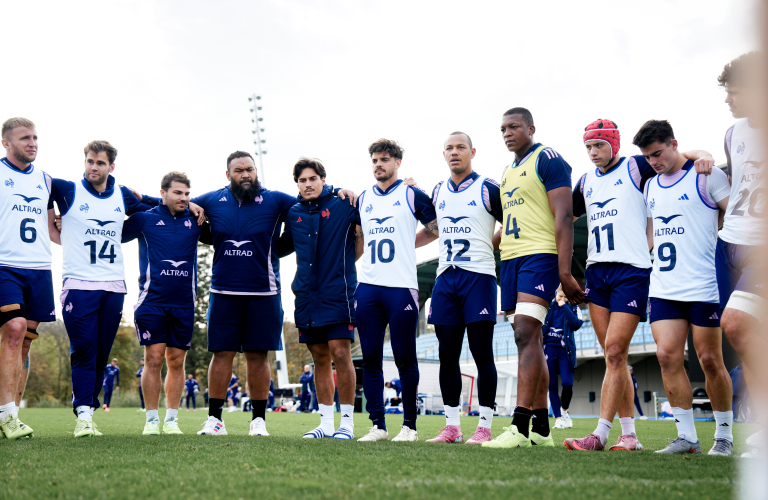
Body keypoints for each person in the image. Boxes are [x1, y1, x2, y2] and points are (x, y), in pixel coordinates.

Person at [565, 119, 713, 451]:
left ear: (614, 145)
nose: (593, 152)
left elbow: (676, 159)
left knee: (616, 350)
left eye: (599, 145)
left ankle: (599, 435)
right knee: (613, 357)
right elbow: (563, 214)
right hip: (597, 273)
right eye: (588, 147)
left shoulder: (635, 167)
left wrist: (703, 153)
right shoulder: (586, 181)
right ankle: (629, 435)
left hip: (632, 272)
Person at [188, 151, 355, 437]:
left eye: (250, 169)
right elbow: (177, 204)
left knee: (258, 355)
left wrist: (337, 190)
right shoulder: (212, 200)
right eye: (239, 170)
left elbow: (310, 201)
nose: (245, 174)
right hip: (223, 290)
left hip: (264, 292)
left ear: (256, 172)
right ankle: (215, 420)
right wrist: (190, 205)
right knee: (221, 353)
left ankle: (258, 421)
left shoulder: (277, 200)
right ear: (228, 175)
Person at [484, 108, 583, 449]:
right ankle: (542, 430)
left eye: (513, 126)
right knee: (528, 338)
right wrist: (486, 248)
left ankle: (519, 425)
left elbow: (565, 215)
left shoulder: (549, 158)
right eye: (502, 129)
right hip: (510, 260)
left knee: (526, 331)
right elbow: (508, 222)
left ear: (530, 128)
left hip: (539, 255)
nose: (507, 133)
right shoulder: (507, 172)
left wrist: (564, 270)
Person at [51, 140, 163, 437]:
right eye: (89, 161)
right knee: (84, 349)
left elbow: (156, 208)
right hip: (78, 284)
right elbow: (33, 194)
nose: (93, 167)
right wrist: (54, 227)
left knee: (101, 354)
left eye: (100, 163)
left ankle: (90, 409)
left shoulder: (122, 194)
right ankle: (83, 415)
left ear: (111, 166)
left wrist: (187, 203)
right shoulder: (67, 189)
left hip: (114, 286)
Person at [639, 120, 734, 456]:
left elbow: (734, 217)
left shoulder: (706, 176)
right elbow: (652, 234)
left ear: (674, 144)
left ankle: (723, 436)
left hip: (704, 285)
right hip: (663, 286)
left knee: (709, 359)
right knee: (666, 356)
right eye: (648, 157)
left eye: (658, 153)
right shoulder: (650, 186)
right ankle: (687, 437)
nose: (653, 161)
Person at [354, 139, 438, 442]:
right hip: (368, 286)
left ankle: (410, 427)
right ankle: (377, 425)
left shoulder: (412, 193)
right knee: (371, 359)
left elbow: (437, 227)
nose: (379, 164)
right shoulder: (363, 199)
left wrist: (410, 242)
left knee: (405, 358)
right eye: (375, 160)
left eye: (385, 159)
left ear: (397, 163)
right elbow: (359, 237)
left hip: (401, 287)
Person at [423, 132, 503, 445]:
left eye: (460, 147)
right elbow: (433, 230)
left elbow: (509, 223)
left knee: (482, 351)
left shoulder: (488, 187)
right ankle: (452, 427)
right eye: (449, 148)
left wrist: (489, 247)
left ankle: (484, 427)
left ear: (472, 151)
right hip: (446, 278)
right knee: (447, 354)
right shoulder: (438, 190)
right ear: (443, 154)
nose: (455, 152)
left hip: (479, 276)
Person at [278, 158, 361, 439]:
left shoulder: (343, 204)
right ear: (297, 185)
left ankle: (347, 424)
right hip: (305, 296)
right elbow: (281, 247)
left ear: (323, 180)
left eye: (313, 178)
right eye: (302, 180)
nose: (308, 184)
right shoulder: (293, 212)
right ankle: (326, 424)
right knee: (320, 359)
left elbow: (372, 220)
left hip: (338, 293)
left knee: (340, 353)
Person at [121, 171, 205, 435]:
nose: (184, 198)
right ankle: (151, 420)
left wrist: (191, 206)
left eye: (187, 194)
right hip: (152, 301)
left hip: (183, 303)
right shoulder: (144, 219)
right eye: (178, 193)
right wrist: (147, 199)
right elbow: (119, 192)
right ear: (163, 193)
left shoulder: (196, 219)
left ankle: (171, 420)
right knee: (153, 359)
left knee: (177, 361)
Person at [714, 52, 767, 458]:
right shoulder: (734, 133)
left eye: (734, 92)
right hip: (728, 241)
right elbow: (735, 180)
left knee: (737, 325)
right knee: (740, 335)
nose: (728, 100)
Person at [0, 117, 60, 439]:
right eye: (24, 138)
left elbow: (53, 230)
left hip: (39, 269)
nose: (32, 143)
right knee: (14, 327)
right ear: (6, 143)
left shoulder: (47, 181)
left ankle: (13, 413)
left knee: (24, 344)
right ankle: (7, 415)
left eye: (35, 137)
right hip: (3, 266)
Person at [542, 286, 582, 430]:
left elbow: (576, 324)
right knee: (552, 386)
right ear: (555, 294)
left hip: (565, 351)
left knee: (567, 383)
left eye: (566, 296)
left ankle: (564, 411)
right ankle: (558, 419)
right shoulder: (548, 306)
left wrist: (565, 306)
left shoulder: (574, 308)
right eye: (560, 296)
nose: (562, 299)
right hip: (549, 348)